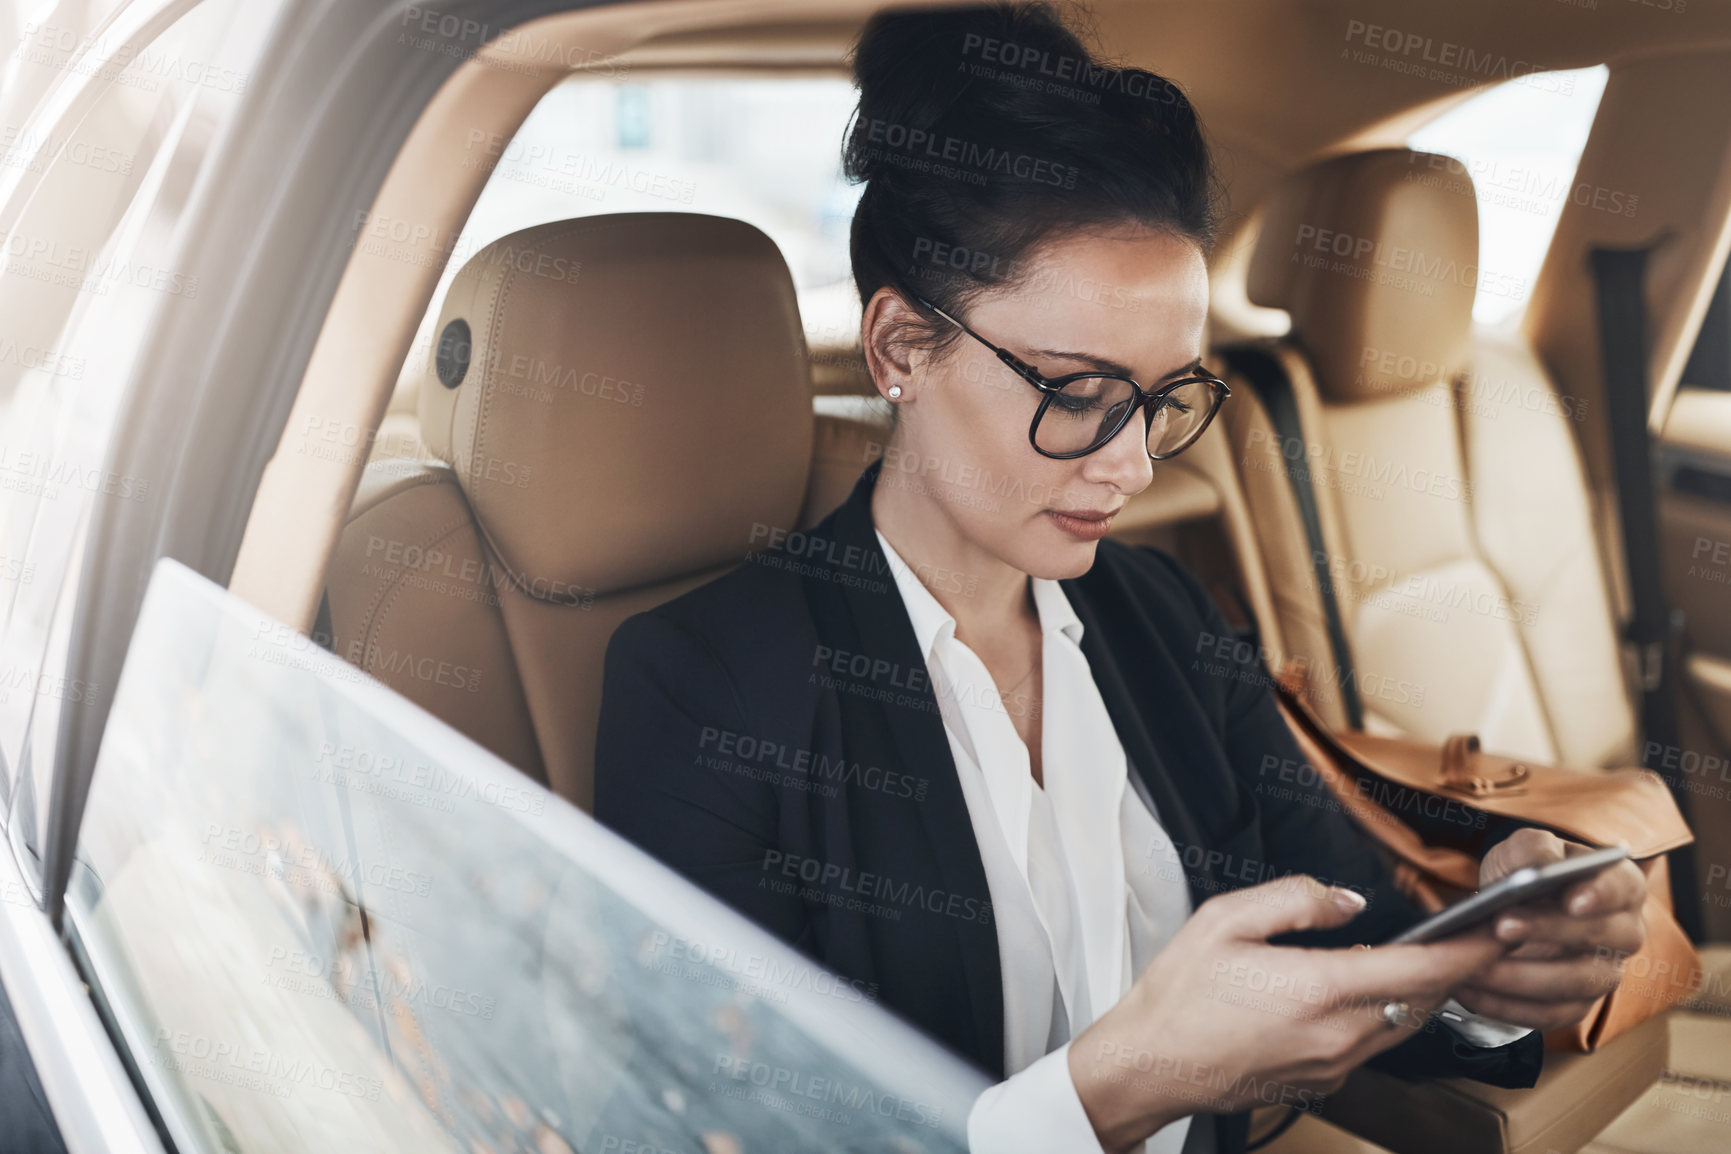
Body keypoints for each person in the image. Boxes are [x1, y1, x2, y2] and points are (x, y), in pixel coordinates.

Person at [594, 5, 1649, 1152]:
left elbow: (1354, 936)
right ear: (902, 348)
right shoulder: (702, 684)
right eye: (1075, 392)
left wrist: (1488, 966)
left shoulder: (1162, 613)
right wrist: (1116, 1088)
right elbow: (721, 1125)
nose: (1134, 461)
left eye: (1162, 398)